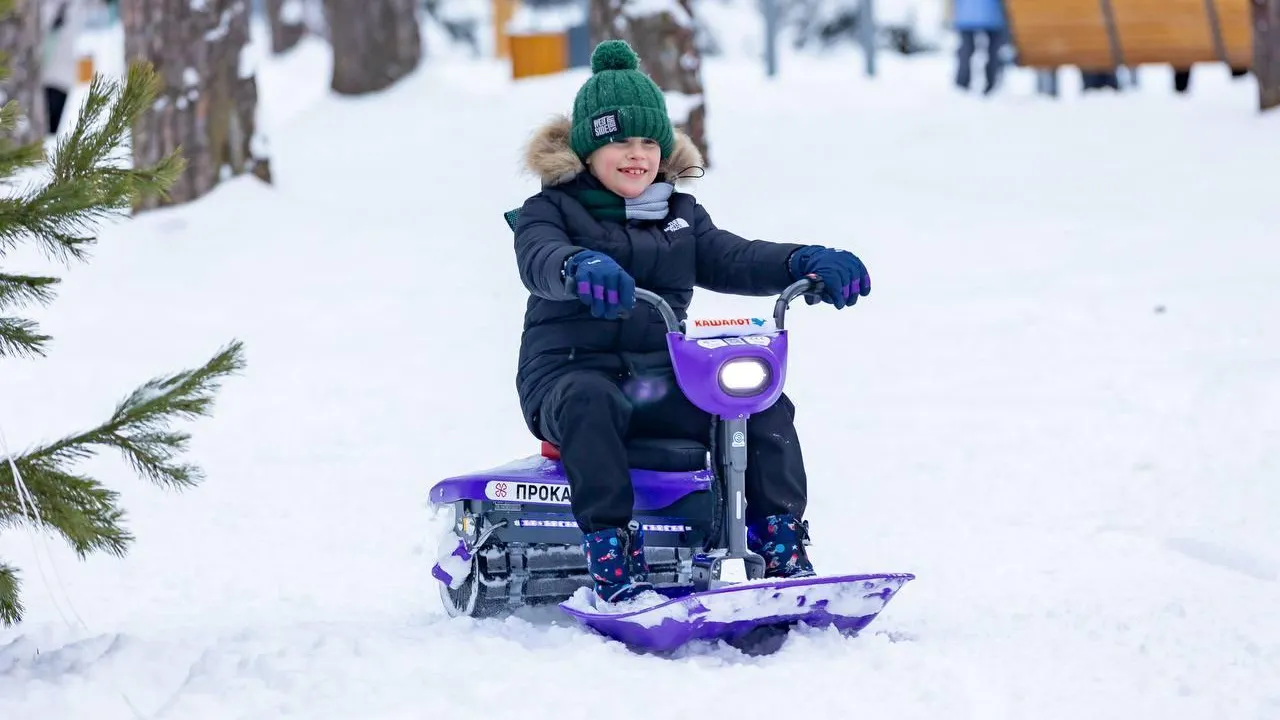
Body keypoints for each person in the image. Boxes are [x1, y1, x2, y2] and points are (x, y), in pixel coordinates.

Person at [511, 40, 872, 605]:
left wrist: (802, 260)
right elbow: (539, 258)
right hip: (567, 375)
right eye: (618, 142)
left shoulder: (680, 216)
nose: (637, 155)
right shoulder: (550, 211)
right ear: (586, 150)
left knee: (757, 401)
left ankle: (778, 547)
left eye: (648, 141)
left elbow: (734, 255)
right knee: (590, 400)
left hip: (657, 378)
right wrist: (578, 266)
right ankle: (611, 553)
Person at [951, 0, 1007, 94]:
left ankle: (962, 83)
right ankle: (991, 83)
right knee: (993, 51)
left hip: (965, 14)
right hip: (993, 13)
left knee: (966, 49)